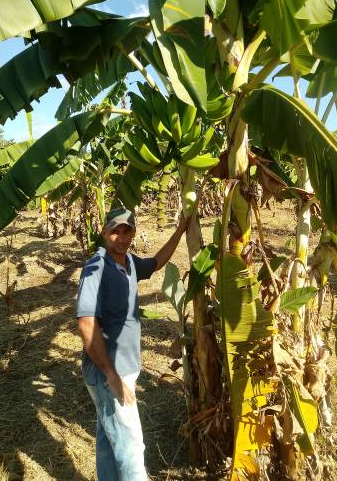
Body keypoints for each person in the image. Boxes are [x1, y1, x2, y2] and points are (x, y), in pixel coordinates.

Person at [75, 205, 190, 481]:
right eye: (116, 231)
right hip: (109, 373)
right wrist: (112, 376)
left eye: (127, 231)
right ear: (104, 233)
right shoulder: (96, 267)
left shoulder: (128, 263)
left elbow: (157, 261)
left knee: (108, 439)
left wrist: (181, 230)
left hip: (122, 369)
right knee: (131, 447)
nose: (122, 237)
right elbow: (86, 323)